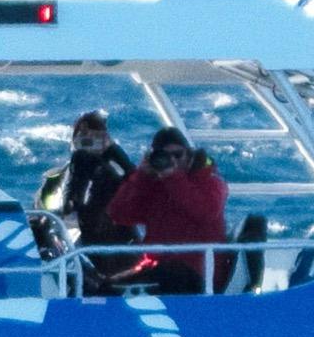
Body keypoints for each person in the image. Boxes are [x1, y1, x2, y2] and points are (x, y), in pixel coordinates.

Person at [83, 125, 230, 293]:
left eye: (178, 155)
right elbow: (119, 214)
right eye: (165, 156)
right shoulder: (155, 186)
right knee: (105, 289)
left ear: (189, 155)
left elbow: (206, 211)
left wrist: (174, 178)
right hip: (160, 267)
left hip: (197, 272)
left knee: (168, 275)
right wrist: (141, 177)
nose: (173, 160)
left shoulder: (210, 182)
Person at [36, 111, 132, 243]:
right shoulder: (59, 175)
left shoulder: (114, 169)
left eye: (94, 139)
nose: (88, 143)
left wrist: (113, 151)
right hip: (80, 228)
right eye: (83, 138)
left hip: (98, 229)